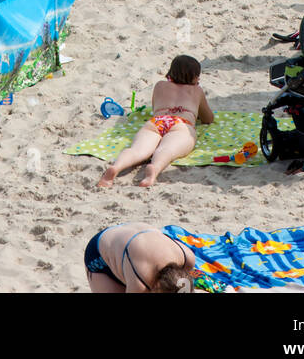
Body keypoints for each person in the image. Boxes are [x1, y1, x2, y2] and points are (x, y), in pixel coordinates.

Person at [96, 55, 213, 189]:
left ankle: (116, 167)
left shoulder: (160, 85)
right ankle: (154, 169)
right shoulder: (197, 90)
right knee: (167, 150)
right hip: (181, 123)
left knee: (137, 150)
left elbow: (155, 107)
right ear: (194, 77)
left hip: (156, 121)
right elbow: (208, 118)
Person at [84, 222, 196, 294]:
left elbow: (182, 287)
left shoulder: (188, 258)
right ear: (157, 286)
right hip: (99, 252)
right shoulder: (140, 283)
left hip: (131, 232)